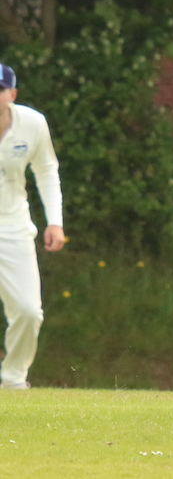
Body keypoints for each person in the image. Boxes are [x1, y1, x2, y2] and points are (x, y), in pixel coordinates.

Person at [0, 63, 64, 390]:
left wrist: (55, 222)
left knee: (28, 312)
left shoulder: (33, 124)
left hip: (12, 227)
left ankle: (12, 380)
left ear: (12, 94)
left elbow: (46, 171)